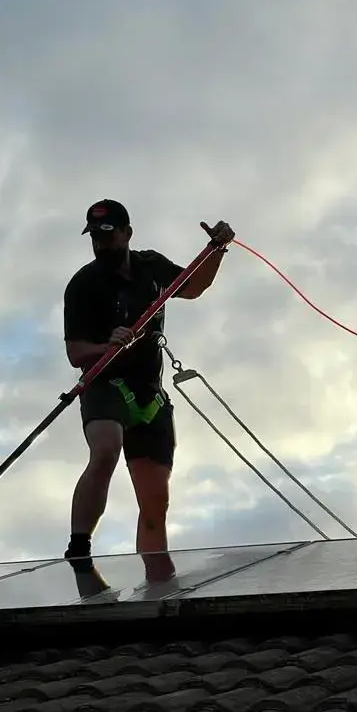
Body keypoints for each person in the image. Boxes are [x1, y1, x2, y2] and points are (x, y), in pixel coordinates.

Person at [61, 198, 234, 587]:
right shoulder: (83, 284)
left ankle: (159, 580)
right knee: (105, 449)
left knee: (156, 499)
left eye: (108, 235)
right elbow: (75, 354)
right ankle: (79, 549)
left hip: (149, 395)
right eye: (95, 237)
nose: (101, 244)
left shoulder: (151, 266)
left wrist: (217, 249)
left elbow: (192, 287)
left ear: (127, 233)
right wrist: (107, 346)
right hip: (105, 383)